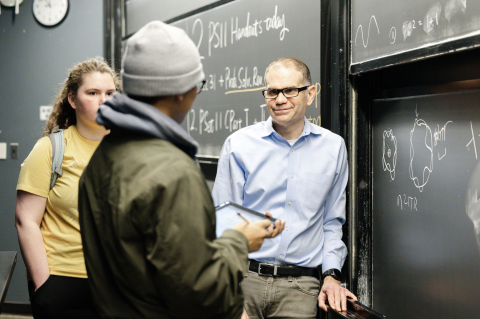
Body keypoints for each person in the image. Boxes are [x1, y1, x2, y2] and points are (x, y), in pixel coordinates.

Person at [78, 21, 285, 319]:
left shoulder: (102, 157)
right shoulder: (173, 172)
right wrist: (240, 241)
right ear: (179, 92)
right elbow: (203, 296)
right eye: (197, 86)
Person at [212, 57, 357, 319]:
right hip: (244, 281)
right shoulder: (239, 145)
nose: (280, 99)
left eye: (290, 90)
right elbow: (222, 224)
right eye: (272, 91)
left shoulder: (333, 148)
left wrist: (332, 276)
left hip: (300, 289)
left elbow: (332, 222)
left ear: (310, 93)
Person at [15, 58, 120, 319]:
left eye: (110, 93)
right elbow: (25, 219)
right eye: (93, 93)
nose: (103, 101)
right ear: (73, 100)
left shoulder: (129, 149)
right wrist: (44, 285)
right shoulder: (51, 149)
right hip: (62, 279)